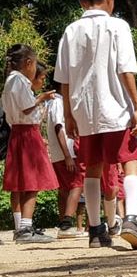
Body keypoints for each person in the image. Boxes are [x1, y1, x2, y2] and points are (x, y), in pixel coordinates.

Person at [54, 0, 137, 249]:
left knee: (93, 168)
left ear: (81, 2)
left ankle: (96, 230)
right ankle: (131, 219)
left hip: (83, 110)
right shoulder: (118, 25)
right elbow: (125, 69)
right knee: (130, 159)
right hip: (115, 108)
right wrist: (136, 106)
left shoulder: (70, 31)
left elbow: (64, 78)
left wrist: (69, 114)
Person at [2, 47, 57, 243]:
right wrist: (42, 98)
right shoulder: (18, 81)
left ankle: (21, 227)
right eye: (34, 64)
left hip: (18, 132)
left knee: (20, 182)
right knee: (32, 181)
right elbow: (26, 108)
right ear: (28, 63)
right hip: (26, 133)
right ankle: (25, 228)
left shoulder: (11, 81)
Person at [46, 76, 85, 239]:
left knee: (64, 189)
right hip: (67, 151)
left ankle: (63, 225)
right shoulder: (58, 102)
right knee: (77, 185)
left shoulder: (53, 103)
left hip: (58, 153)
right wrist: (68, 156)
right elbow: (58, 127)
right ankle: (67, 222)